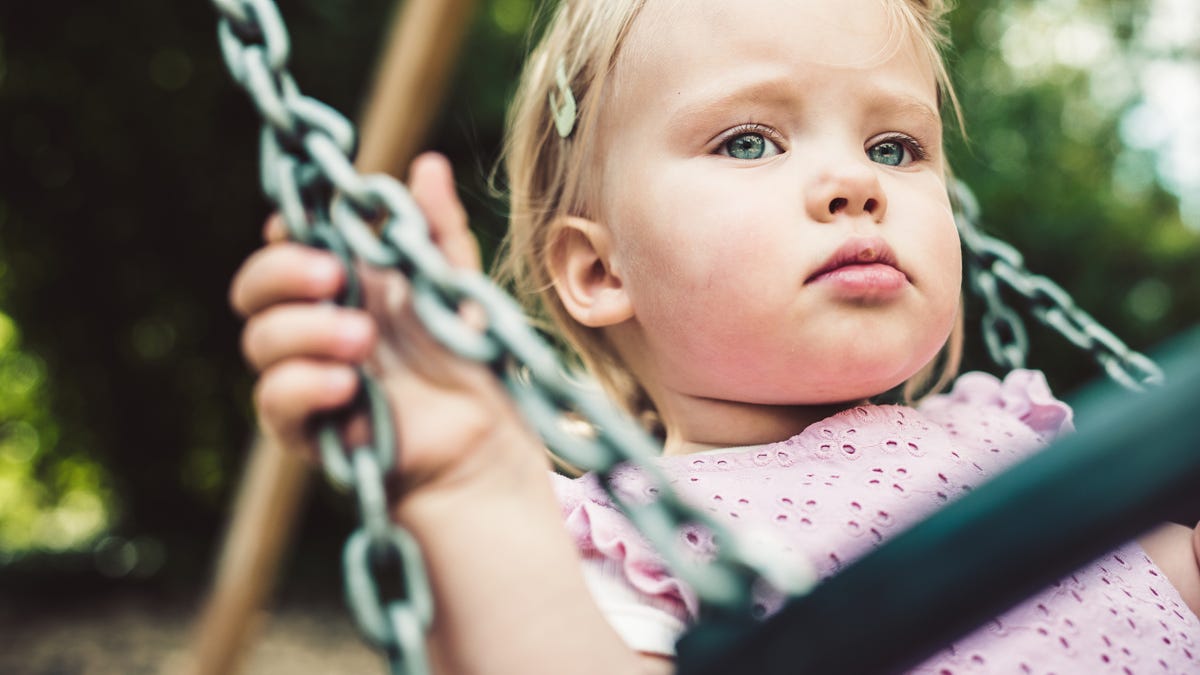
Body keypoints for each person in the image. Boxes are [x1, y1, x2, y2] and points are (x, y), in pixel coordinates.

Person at [230, 0, 1200, 672]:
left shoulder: (1016, 440)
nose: (854, 184)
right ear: (600, 271)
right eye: (749, 142)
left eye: (894, 147)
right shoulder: (643, 539)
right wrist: (469, 491)